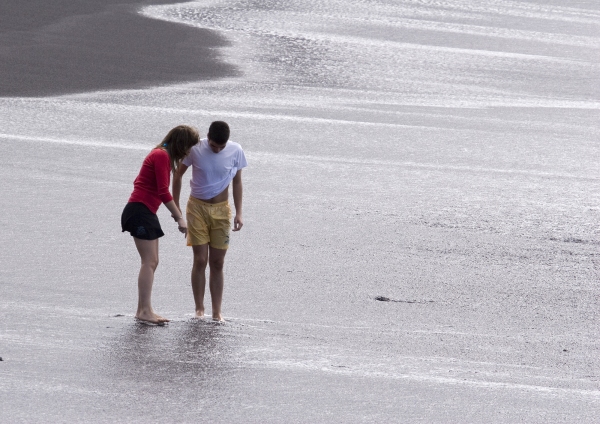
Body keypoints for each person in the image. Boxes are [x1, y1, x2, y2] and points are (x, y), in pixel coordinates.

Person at [121, 125, 199, 324]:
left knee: (153, 261)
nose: (189, 152)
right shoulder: (161, 155)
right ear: (181, 144)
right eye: (189, 147)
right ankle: (144, 311)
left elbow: (140, 181)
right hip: (140, 211)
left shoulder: (159, 155)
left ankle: (144, 309)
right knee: (149, 261)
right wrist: (180, 218)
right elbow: (164, 192)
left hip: (145, 211)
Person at [172, 121, 247, 321]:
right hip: (197, 208)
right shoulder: (195, 148)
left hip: (222, 211)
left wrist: (239, 212)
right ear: (208, 137)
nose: (217, 150)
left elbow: (237, 181)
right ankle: (199, 309)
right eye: (214, 146)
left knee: (218, 262)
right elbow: (177, 175)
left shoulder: (236, 150)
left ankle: (217, 312)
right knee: (200, 260)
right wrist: (176, 207)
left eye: (221, 147)